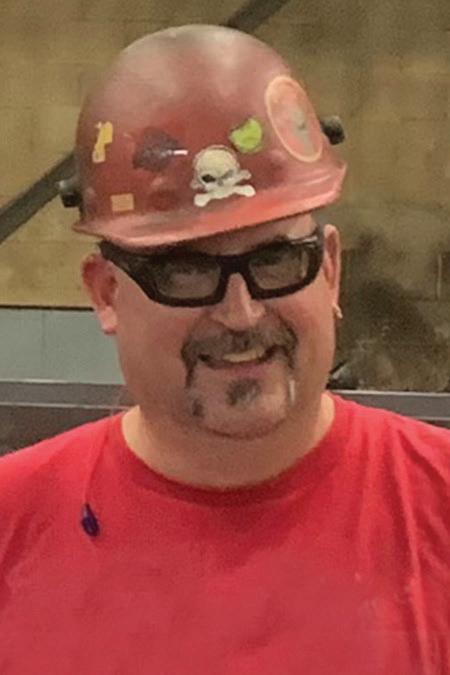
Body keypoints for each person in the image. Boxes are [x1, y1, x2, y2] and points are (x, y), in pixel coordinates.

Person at [0, 25, 449, 675]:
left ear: (329, 270)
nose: (241, 313)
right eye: (185, 271)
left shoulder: (435, 507)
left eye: (275, 261)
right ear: (106, 293)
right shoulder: (13, 531)